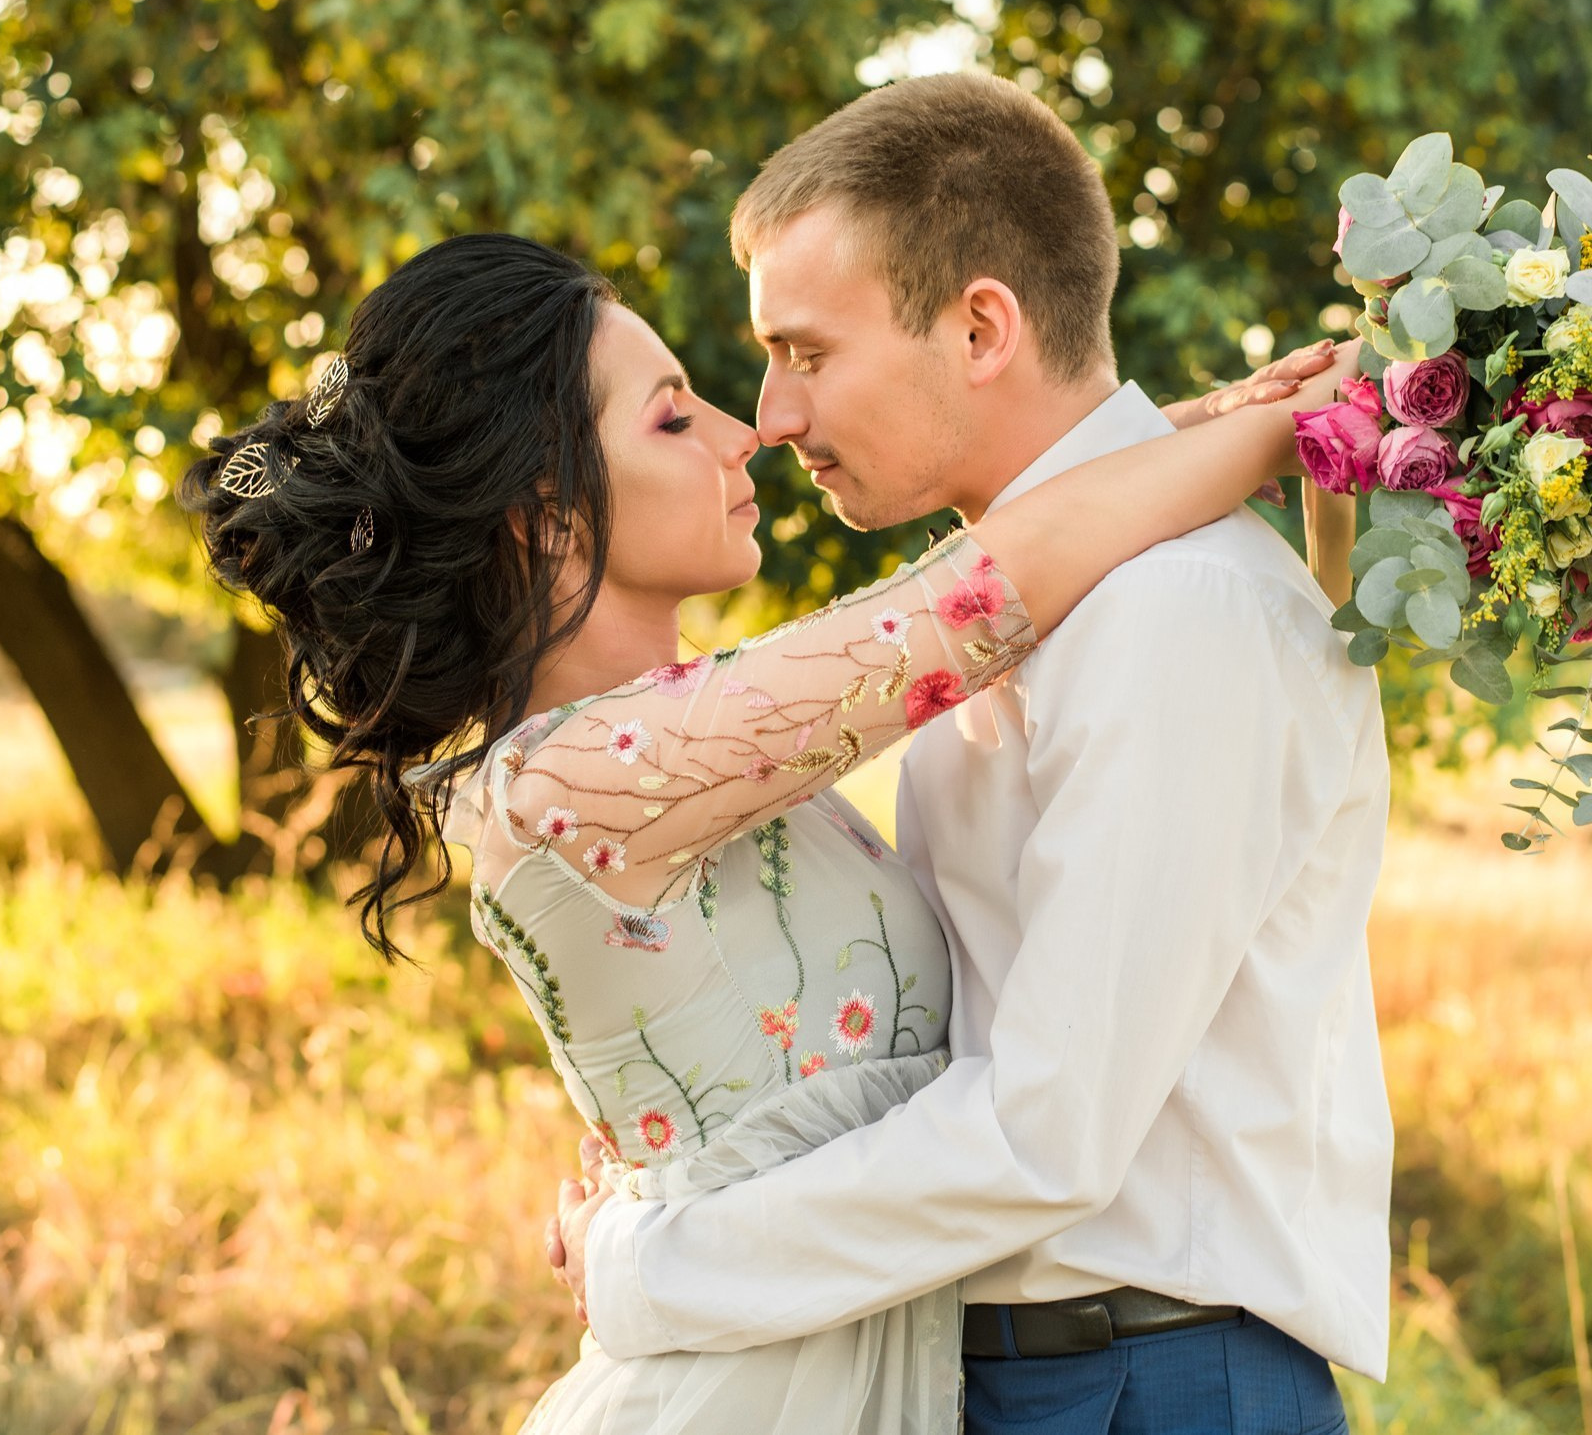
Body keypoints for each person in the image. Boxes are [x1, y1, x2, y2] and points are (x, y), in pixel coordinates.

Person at [176, 224, 1348, 1433]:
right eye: (673, 418)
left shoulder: (699, 737)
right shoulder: (584, 777)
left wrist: (1205, 423)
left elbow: (996, 559)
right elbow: (975, 595)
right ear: (547, 514)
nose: (747, 434)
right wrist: (1268, 431)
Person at [552, 73, 1394, 1435]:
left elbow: (1044, 1133)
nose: (774, 416)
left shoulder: (1181, 611)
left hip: (1150, 1380)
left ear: (981, 325)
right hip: (1009, 1368)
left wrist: (655, 1267)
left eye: (808, 354)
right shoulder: (1012, 612)